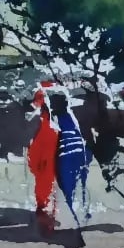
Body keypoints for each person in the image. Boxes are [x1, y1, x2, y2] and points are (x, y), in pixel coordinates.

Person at [50, 89, 92, 226]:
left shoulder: (55, 118)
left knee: (68, 187)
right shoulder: (72, 116)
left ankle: (76, 216)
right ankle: (82, 212)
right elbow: (82, 136)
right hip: (79, 154)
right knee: (78, 185)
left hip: (66, 157)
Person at [27, 83, 60, 234]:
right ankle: (45, 214)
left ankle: (45, 214)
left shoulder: (46, 122)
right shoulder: (45, 121)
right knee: (46, 184)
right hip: (46, 155)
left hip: (47, 156)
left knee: (46, 183)